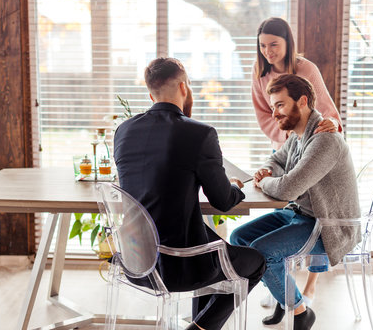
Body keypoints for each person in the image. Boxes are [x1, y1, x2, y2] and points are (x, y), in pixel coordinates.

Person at [114, 57, 266, 330]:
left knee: (214, 248)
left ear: (151, 94)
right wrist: (236, 187)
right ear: (184, 87)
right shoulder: (200, 134)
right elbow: (222, 201)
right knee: (255, 263)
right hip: (179, 265)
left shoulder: (123, 131)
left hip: (137, 260)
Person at [230, 74, 360, 330]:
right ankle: (284, 294)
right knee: (240, 239)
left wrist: (262, 182)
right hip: (300, 214)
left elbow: (288, 188)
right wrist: (266, 171)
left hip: (327, 225)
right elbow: (276, 160)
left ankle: (301, 313)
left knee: (264, 251)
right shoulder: (298, 135)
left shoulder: (325, 140)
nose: (274, 113)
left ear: (301, 101)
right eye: (272, 106)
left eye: (280, 105)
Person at [251, 16, 341, 317]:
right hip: (289, 138)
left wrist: (320, 127)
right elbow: (265, 114)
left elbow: (323, 108)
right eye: (263, 46)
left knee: (312, 202)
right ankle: (284, 291)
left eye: (274, 45)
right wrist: (288, 134)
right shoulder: (260, 72)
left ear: (288, 43)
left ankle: (307, 289)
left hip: (316, 138)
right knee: (280, 215)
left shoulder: (306, 69)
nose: (268, 51)